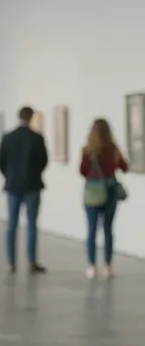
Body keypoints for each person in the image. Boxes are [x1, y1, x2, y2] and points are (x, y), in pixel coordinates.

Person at [0, 106, 49, 273]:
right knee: (32, 224)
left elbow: (0, 161)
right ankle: (32, 262)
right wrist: (33, 174)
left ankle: (11, 263)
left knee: (11, 224)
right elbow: (44, 161)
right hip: (32, 185)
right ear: (31, 117)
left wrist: (9, 175)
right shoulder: (37, 138)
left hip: (13, 185)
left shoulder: (8, 137)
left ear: (18, 117)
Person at [79, 118, 128, 279]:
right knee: (108, 229)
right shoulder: (113, 149)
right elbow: (124, 167)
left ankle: (91, 266)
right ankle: (107, 266)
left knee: (92, 230)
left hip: (92, 192)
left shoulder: (87, 150)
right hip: (110, 192)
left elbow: (82, 171)